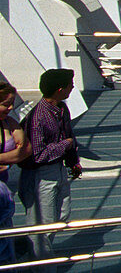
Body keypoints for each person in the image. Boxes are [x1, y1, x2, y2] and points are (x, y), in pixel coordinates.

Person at [18, 69, 82, 264]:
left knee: (61, 216)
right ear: (60, 89)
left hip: (58, 169)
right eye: (70, 85)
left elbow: (67, 133)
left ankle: (33, 253)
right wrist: (67, 145)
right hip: (40, 175)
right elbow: (38, 155)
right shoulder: (37, 118)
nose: (73, 87)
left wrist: (72, 161)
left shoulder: (61, 109)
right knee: (41, 226)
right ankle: (41, 265)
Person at [0, 83, 30, 264]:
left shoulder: (9, 123)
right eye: (5, 104)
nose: (11, 108)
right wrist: (11, 156)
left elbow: (25, 150)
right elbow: (17, 153)